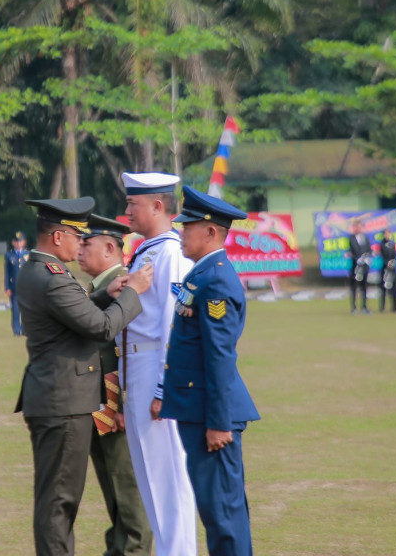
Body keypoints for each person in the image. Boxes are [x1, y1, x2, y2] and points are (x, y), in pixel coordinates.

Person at [14, 197, 152, 556]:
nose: (78, 245)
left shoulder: (37, 270)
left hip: (56, 398)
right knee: (60, 502)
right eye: (77, 235)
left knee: (57, 501)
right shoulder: (55, 279)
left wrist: (107, 293)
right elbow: (102, 329)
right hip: (63, 403)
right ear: (58, 237)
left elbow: (78, 315)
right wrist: (133, 291)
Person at [159, 185, 260, 556]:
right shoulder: (202, 275)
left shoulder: (215, 280)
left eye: (187, 226)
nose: (181, 231)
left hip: (210, 417)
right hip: (199, 411)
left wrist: (217, 422)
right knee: (218, 510)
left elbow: (219, 356)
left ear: (211, 232)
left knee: (222, 513)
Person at [119, 171, 197, 556]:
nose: (127, 209)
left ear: (157, 205)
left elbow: (173, 325)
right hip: (136, 370)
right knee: (151, 481)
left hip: (154, 372)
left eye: (133, 203)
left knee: (168, 482)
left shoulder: (170, 252)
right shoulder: (147, 249)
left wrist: (166, 390)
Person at [77, 214, 153, 556]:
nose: (78, 250)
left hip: (115, 409)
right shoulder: (102, 290)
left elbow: (129, 350)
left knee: (130, 499)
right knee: (115, 498)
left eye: (85, 243)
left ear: (110, 247)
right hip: (99, 407)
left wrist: (121, 405)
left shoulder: (125, 287)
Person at [5, 230, 29, 336]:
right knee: (15, 310)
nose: (18, 243)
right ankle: (16, 330)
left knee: (26, 310)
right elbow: (7, 273)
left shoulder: (28, 254)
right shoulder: (9, 255)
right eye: (16, 241)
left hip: (26, 287)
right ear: (13, 242)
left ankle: (24, 329)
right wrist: (7, 287)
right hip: (14, 287)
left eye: (20, 241)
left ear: (24, 242)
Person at [347, 220, 372, 314]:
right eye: (356, 227)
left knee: (364, 286)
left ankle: (364, 307)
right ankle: (353, 307)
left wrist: (366, 258)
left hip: (364, 266)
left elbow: (369, 250)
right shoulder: (351, 238)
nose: (358, 228)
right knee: (354, 286)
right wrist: (358, 259)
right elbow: (351, 252)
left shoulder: (365, 238)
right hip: (355, 266)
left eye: (359, 226)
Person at [379, 228, 396, 313]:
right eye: (385, 234)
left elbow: (394, 255)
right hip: (385, 268)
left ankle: (394, 308)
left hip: (392, 269)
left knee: (393, 288)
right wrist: (387, 263)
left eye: (388, 233)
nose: (387, 235)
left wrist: (392, 264)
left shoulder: (392, 244)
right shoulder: (382, 244)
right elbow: (382, 256)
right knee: (384, 287)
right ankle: (382, 307)